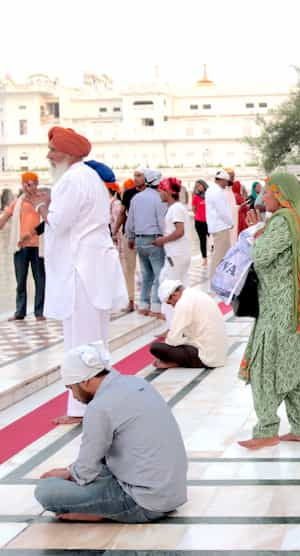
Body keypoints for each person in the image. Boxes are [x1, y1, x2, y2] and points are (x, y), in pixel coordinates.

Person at [29, 127, 128, 425]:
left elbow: (58, 222)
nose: (49, 155)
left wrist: (43, 206)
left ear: (69, 153)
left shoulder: (72, 180)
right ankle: (97, 405)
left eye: (53, 150)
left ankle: (84, 410)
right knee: (94, 342)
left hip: (80, 273)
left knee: (81, 343)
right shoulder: (89, 178)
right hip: (91, 269)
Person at [34, 343, 187, 522]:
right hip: (172, 493)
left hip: (144, 503)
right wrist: (72, 471)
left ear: (85, 381)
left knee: (47, 490)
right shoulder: (137, 382)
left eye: (71, 388)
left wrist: (70, 474)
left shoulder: (99, 407)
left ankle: (103, 513)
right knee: (101, 468)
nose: (73, 395)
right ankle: (103, 507)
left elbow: (86, 471)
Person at [238, 174, 300, 448]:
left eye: (267, 193)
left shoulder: (282, 221)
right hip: (299, 309)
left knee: (265, 369)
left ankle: (266, 431)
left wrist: (254, 235)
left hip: (280, 309)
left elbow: (261, 256)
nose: (263, 198)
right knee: (298, 370)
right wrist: (261, 229)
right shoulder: (297, 220)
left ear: (281, 194)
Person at [150, 281, 228, 369]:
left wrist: (179, 341)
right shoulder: (195, 293)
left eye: (170, 303)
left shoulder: (183, 303)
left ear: (174, 295)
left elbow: (172, 340)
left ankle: (177, 362)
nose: (172, 306)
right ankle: (178, 360)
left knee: (156, 347)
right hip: (219, 354)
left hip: (206, 357)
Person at [0, 171, 46, 321]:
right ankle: (20, 312)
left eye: (30, 183)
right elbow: (4, 218)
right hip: (20, 247)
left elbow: (46, 223)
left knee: (40, 280)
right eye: (25, 184)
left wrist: (31, 234)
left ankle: (39, 312)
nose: (27, 187)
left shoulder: (43, 200)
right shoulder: (17, 202)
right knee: (21, 281)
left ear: (36, 184)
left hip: (38, 246)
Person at [125, 168, 167, 319]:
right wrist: (165, 238)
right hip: (154, 240)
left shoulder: (136, 198)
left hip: (139, 240)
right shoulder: (159, 198)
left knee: (146, 274)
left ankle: (143, 305)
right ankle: (156, 306)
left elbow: (130, 221)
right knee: (158, 275)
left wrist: (130, 237)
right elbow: (161, 221)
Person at [113, 170, 145, 313]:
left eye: (139, 175)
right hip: (129, 235)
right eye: (135, 176)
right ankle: (131, 301)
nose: (136, 178)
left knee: (147, 270)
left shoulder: (153, 193)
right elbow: (122, 214)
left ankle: (147, 301)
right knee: (129, 270)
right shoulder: (129, 193)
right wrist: (114, 231)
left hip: (146, 236)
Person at [154, 178, 191, 287]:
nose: (159, 194)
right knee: (180, 284)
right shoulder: (177, 208)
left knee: (169, 286)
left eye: (161, 191)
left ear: (168, 192)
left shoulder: (176, 209)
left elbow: (180, 231)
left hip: (176, 255)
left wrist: (162, 240)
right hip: (178, 254)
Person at [206, 169, 235, 275]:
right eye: (226, 182)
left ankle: (216, 279)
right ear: (222, 180)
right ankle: (214, 280)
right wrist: (231, 222)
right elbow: (222, 211)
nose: (226, 185)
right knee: (220, 255)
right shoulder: (218, 191)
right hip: (221, 227)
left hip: (216, 226)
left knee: (219, 254)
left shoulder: (211, 189)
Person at [191, 180, 209, 265]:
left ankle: (214, 254)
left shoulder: (209, 195)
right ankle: (204, 259)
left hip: (210, 222)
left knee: (214, 240)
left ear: (204, 185)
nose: (198, 187)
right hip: (199, 222)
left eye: (199, 185)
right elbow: (194, 209)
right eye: (196, 186)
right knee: (202, 240)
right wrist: (199, 216)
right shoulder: (196, 197)